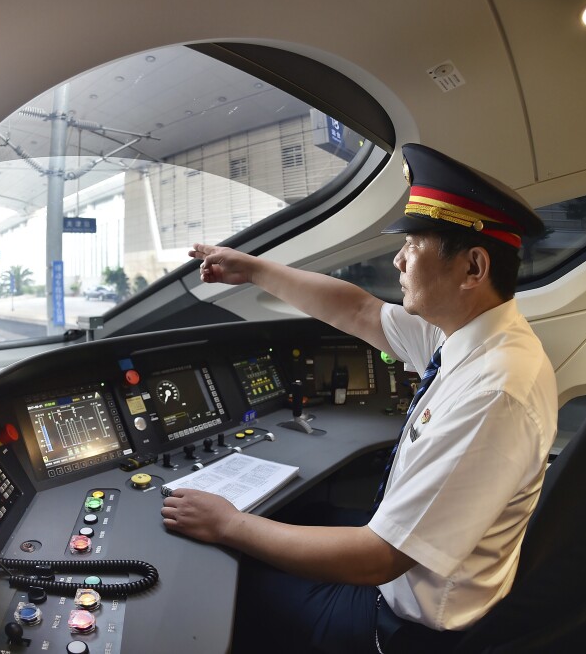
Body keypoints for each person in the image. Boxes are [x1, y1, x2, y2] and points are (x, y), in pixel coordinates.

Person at [161, 143, 558, 653]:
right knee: (287, 524)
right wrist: (254, 269)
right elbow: (361, 313)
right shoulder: (466, 333)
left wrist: (229, 523)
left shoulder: (496, 389)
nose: (397, 259)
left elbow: (380, 558)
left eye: (413, 246)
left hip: (401, 624)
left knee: (236, 579)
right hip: (404, 576)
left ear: (472, 268)